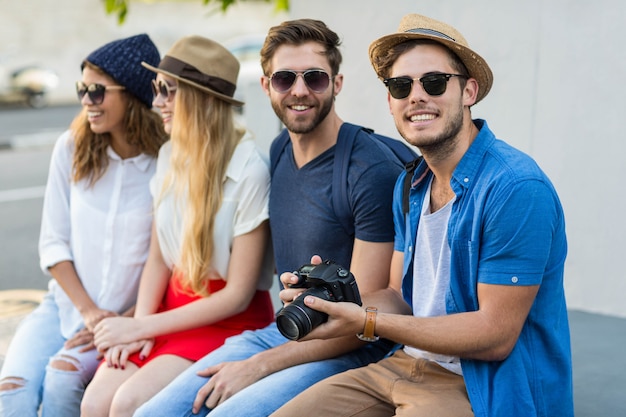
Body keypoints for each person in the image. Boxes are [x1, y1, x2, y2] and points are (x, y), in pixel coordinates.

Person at [272, 13, 573, 417]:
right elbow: (399, 296)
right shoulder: (410, 185)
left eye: (433, 82)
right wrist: (328, 301)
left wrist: (366, 322)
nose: (416, 96)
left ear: (469, 91)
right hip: (402, 364)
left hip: (479, 383)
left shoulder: (516, 189)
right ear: (390, 100)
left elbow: (494, 335)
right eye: (401, 86)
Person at [134, 19, 406, 417]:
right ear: (265, 86)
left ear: (337, 83)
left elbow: (358, 322)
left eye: (314, 78)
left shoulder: (368, 170)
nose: (299, 91)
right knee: (151, 413)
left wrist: (257, 366)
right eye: (284, 79)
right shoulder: (280, 151)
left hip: (346, 348)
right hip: (282, 331)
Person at [79, 35, 275, 417]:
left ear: (201, 98)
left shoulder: (249, 171)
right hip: (168, 308)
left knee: (127, 405)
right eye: (156, 89)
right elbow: (157, 260)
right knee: (95, 402)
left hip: (225, 320)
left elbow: (237, 295)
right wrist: (141, 325)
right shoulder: (170, 155)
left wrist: (140, 328)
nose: (156, 103)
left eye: (167, 91)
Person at [0, 34, 167, 417]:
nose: (86, 102)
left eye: (97, 91)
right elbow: (53, 244)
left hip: (127, 319)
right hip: (64, 307)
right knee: (13, 390)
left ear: (134, 95)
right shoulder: (70, 149)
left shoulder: (166, 163)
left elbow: (168, 261)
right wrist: (90, 312)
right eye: (82, 90)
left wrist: (123, 322)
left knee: (62, 381)